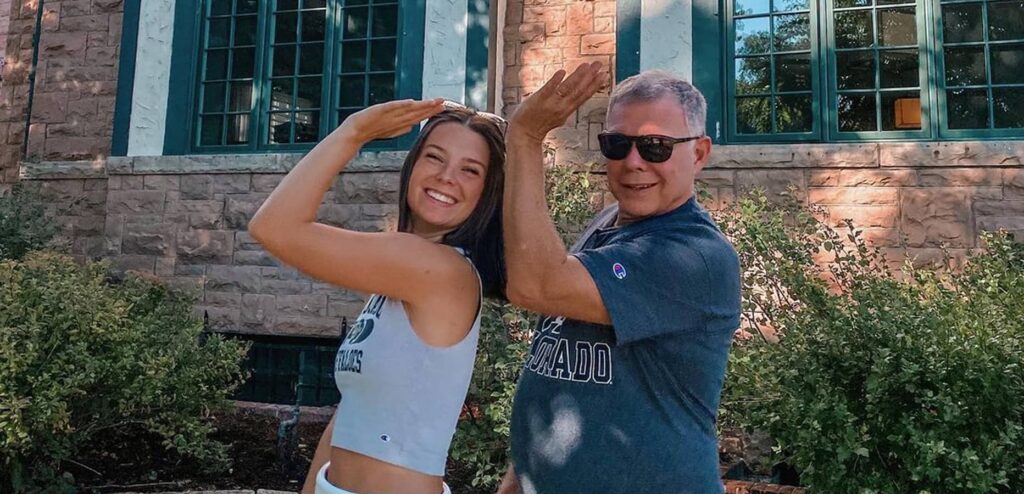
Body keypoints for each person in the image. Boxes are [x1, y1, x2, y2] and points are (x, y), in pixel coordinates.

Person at [496, 65, 742, 493]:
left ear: (699, 153)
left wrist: (525, 137)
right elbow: (555, 372)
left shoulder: (695, 257)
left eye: (655, 146)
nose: (633, 163)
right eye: (617, 144)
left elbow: (535, 286)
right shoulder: (610, 223)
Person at [249, 98, 508, 494]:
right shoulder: (400, 275)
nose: (446, 177)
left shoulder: (438, 270)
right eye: (434, 158)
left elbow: (274, 226)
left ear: (486, 192)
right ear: (413, 166)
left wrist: (354, 131)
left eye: (469, 170)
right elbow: (352, 413)